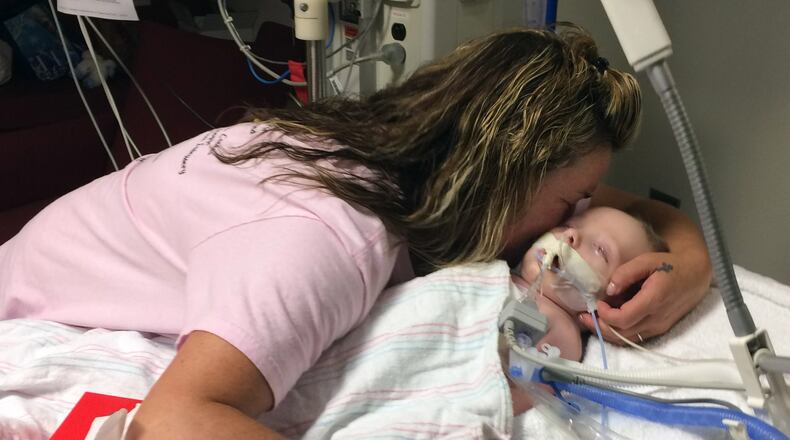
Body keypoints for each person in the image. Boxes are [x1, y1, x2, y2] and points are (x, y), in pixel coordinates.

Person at [0, 26, 711, 438]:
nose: (571, 231)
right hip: (27, 312)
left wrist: (690, 256)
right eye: (570, 205)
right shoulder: (330, 235)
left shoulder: (389, 145)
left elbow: (617, 205)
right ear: (505, 173)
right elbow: (176, 420)